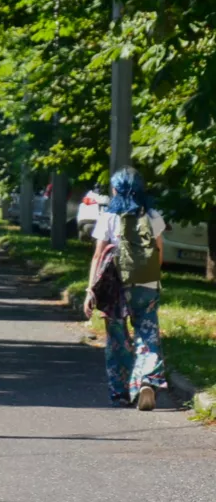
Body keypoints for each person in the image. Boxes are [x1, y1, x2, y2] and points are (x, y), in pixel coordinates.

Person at [84, 166, 167, 410]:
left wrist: (91, 289)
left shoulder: (109, 217)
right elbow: (159, 252)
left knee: (117, 339)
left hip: (116, 286)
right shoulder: (153, 216)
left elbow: (98, 255)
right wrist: (148, 275)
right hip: (147, 285)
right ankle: (147, 380)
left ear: (116, 189)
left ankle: (120, 392)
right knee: (148, 332)